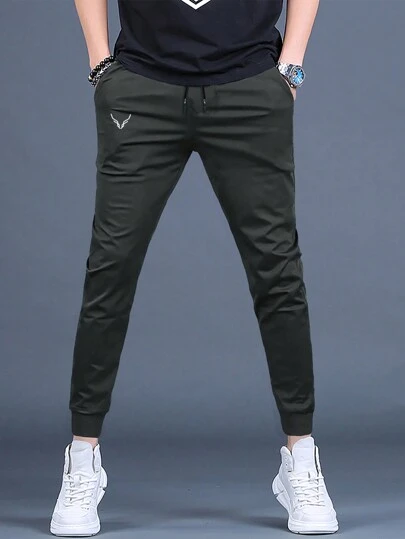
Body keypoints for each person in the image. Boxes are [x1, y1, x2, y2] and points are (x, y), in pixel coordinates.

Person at [50, 0, 338, 535]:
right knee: (110, 267)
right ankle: (82, 457)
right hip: (141, 86)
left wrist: (291, 67)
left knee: (277, 271)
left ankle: (300, 456)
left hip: (249, 84)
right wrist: (100, 63)